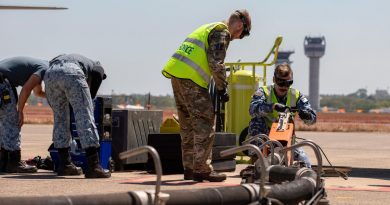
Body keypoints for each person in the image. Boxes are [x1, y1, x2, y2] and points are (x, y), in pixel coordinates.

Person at [162, 10, 251, 182]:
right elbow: (216, 63)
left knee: (187, 125)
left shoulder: (208, 27)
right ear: (240, 25)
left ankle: (189, 169)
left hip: (177, 74)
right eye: (242, 34)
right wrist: (222, 88)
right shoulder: (222, 32)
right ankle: (202, 169)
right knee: (205, 122)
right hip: (191, 79)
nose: (238, 38)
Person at [44, 53, 109, 178]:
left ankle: (65, 165)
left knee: (60, 118)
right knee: (85, 116)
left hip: (50, 73)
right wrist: (90, 98)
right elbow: (98, 74)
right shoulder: (97, 65)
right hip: (71, 72)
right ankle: (94, 166)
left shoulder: (79, 60)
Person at [248, 63, 316, 167]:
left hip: (286, 137)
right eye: (281, 82)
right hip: (265, 138)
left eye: (288, 83)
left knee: (306, 163)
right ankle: (257, 156)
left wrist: (306, 115)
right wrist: (272, 107)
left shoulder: (296, 95)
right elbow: (252, 110)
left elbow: (313, 119)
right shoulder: (264, 92)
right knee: (256, 122)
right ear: (274, 79)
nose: (284, 86)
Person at [0, 56, 48, 173]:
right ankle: (14, 163)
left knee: (3, 123)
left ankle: (3, 162)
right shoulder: (44, 68)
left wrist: (55, 96)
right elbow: (26, 90)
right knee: (12, 123)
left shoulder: (38, 66)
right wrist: (20, 111)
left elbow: (38, 92)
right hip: (2, 84)